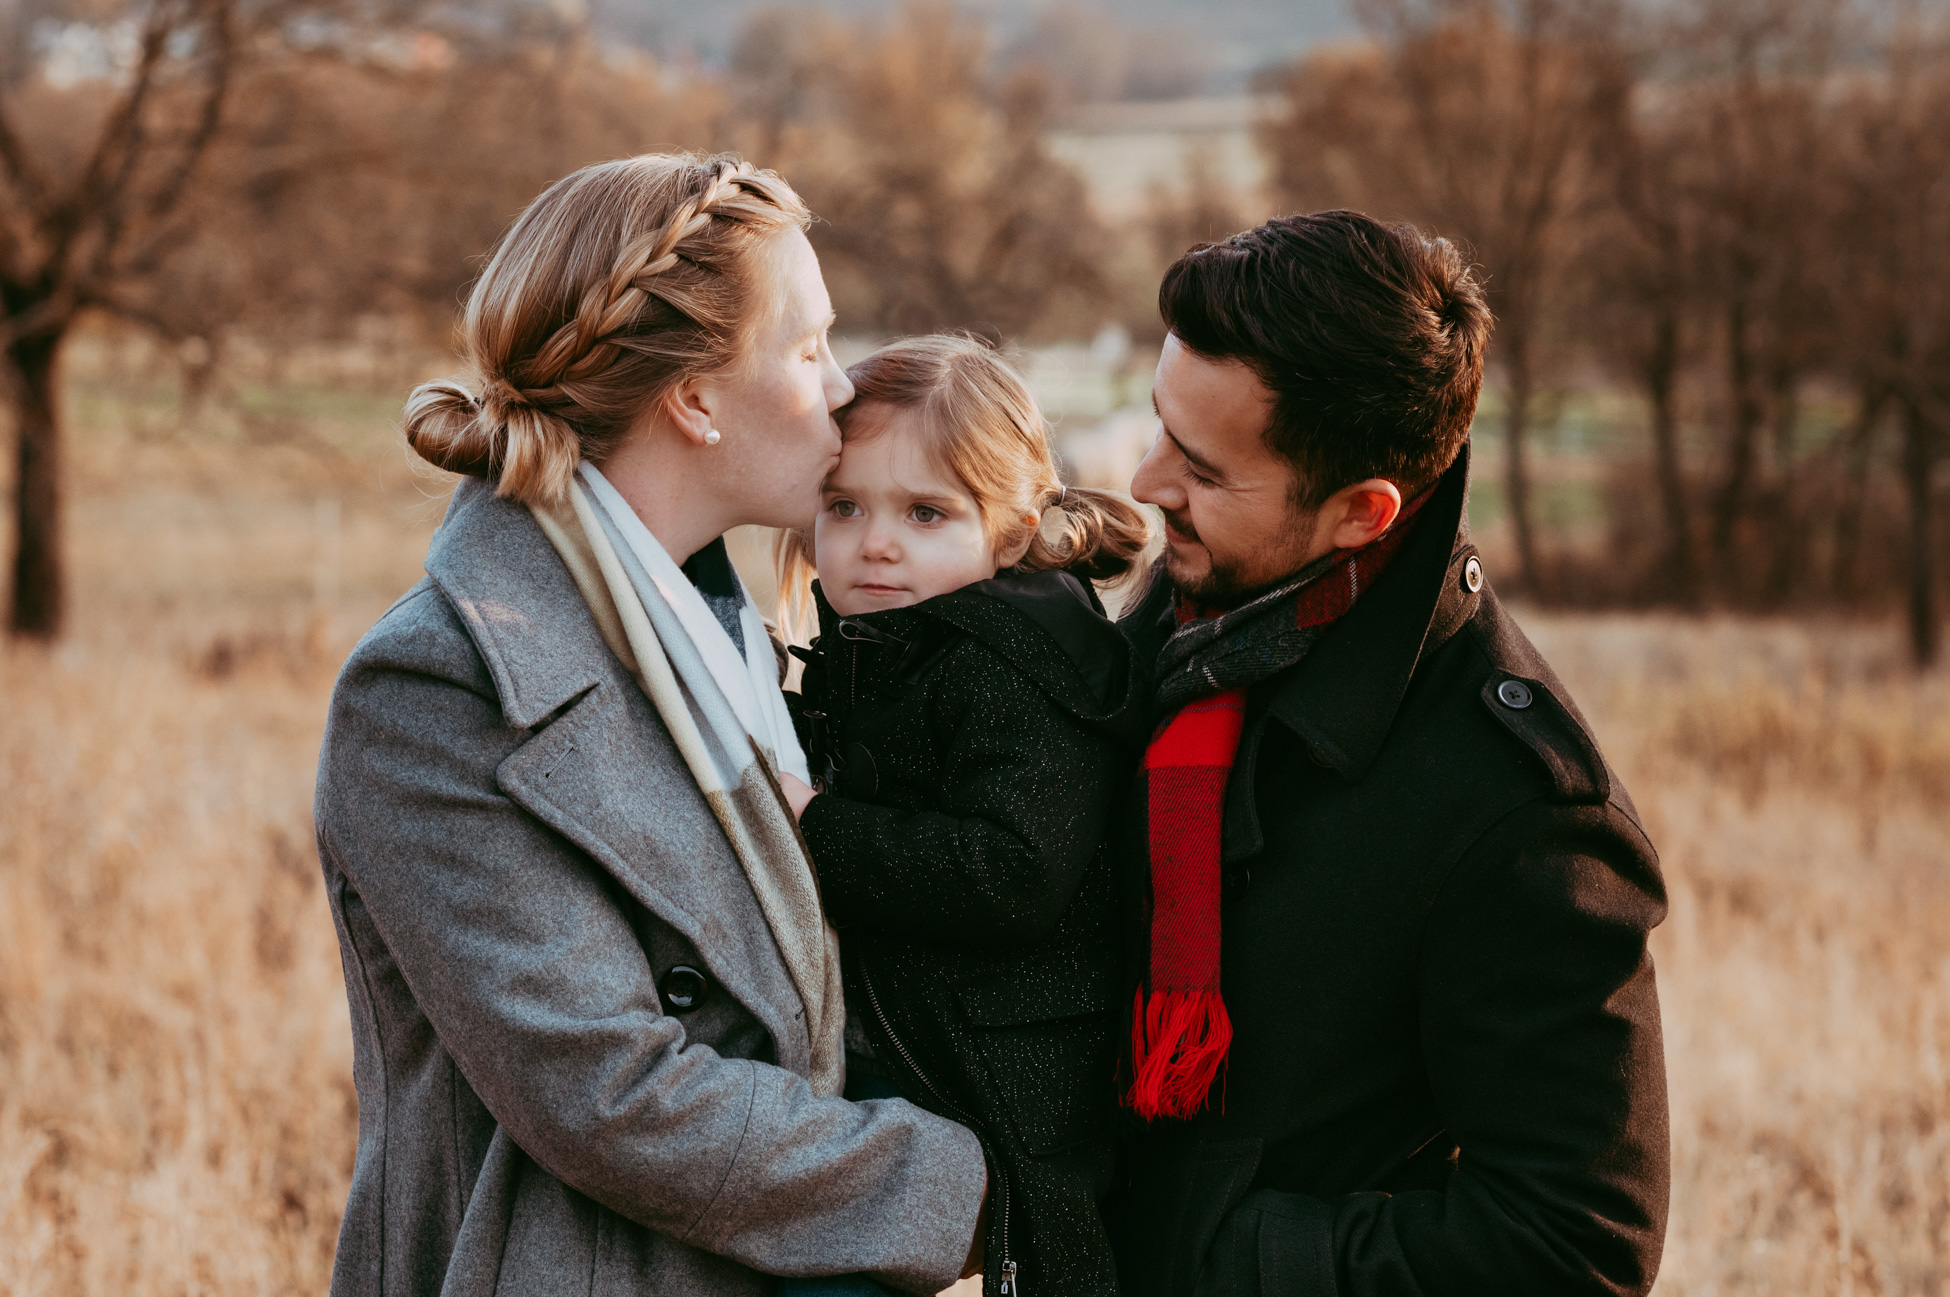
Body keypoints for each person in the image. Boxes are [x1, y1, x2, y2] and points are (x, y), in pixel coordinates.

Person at [313, 154, 987, 1297]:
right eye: (809, 348)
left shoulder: (735, 644)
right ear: (694, 400)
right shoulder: (438, 687)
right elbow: (612, 1094)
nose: (841, 392)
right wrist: (973, 1182)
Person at [1106, 212, 1670, 1296]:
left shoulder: (1525, 816)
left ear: (1361, 514)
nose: (1145, 480)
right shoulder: (1198, 622)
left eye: (1204, 468)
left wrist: (1206, 1253)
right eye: (1160, 427)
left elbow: (1577, 1247)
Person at [773, 335, 1151, 1297]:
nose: (876, 541)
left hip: (1003, 1074)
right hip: (919, 1047)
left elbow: (1012, 871)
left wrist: (819, 825)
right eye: (843, 504)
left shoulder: (1012, 668)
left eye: (926, 512)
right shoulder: (893, 642)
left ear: (1013, 530)